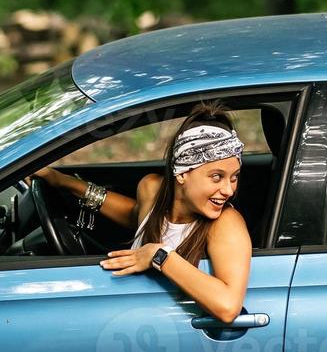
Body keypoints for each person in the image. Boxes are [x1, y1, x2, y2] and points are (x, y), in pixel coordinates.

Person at [32, 102, 252, 323]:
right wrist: (63, 182)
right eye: (217, 177)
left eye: (234, 177)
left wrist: (159, 256)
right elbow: (135, 216)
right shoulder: (152, 189)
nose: (229, 190)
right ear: (182, 173)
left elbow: (228, 306)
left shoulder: (226, 223)